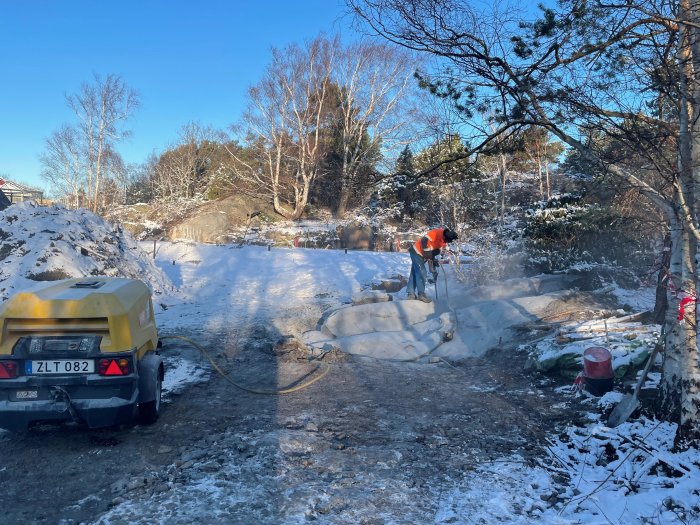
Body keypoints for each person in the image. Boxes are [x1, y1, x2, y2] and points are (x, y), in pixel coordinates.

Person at [406, 227, 459, 303]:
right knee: (422, 272)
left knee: (415, 272)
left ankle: (410, 294)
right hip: (416, 252)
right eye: (448, 240)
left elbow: (434, 250)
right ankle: (421, 294)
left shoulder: (443, 241)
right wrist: (427, 252)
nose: (448, 242)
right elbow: (424, 241)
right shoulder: (436, 232)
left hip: (423, 255)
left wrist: (433, 259)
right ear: (447, 236)